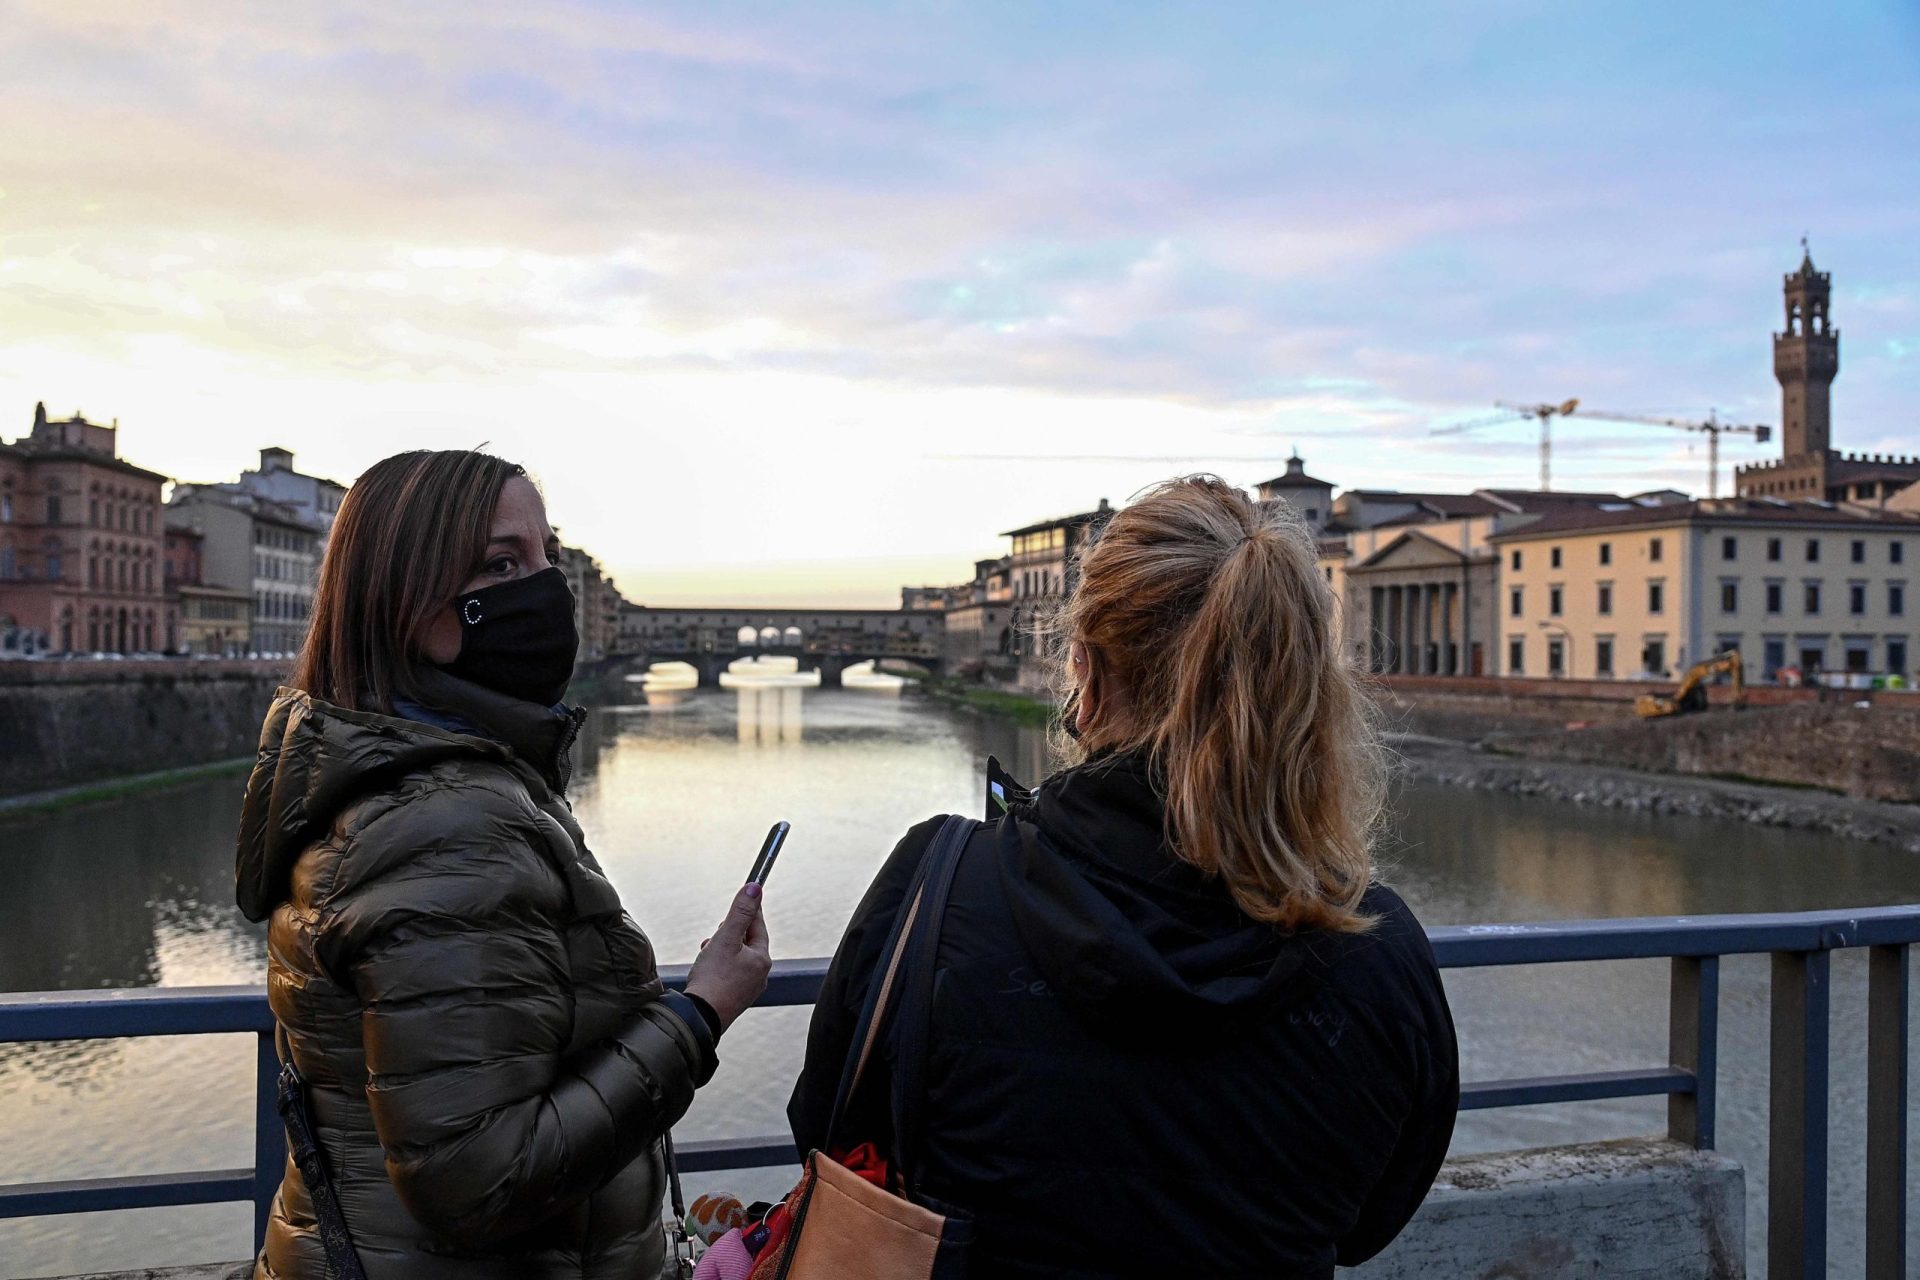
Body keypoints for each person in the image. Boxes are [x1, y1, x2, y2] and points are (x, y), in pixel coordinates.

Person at [789, 476, 1458, 1279]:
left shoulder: (939, 883)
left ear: (1086, 669)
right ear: (1308, 683)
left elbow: (826, 1127)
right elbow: (1369, 1221)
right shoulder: (1376, 948)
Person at [236, 449, 772, 1279]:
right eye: (500, 564)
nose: (546, 588)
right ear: (406, 602)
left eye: (548, 556)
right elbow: (480, 1181)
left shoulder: (376, 775)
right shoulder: (445, 825)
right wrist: (699, 1015)